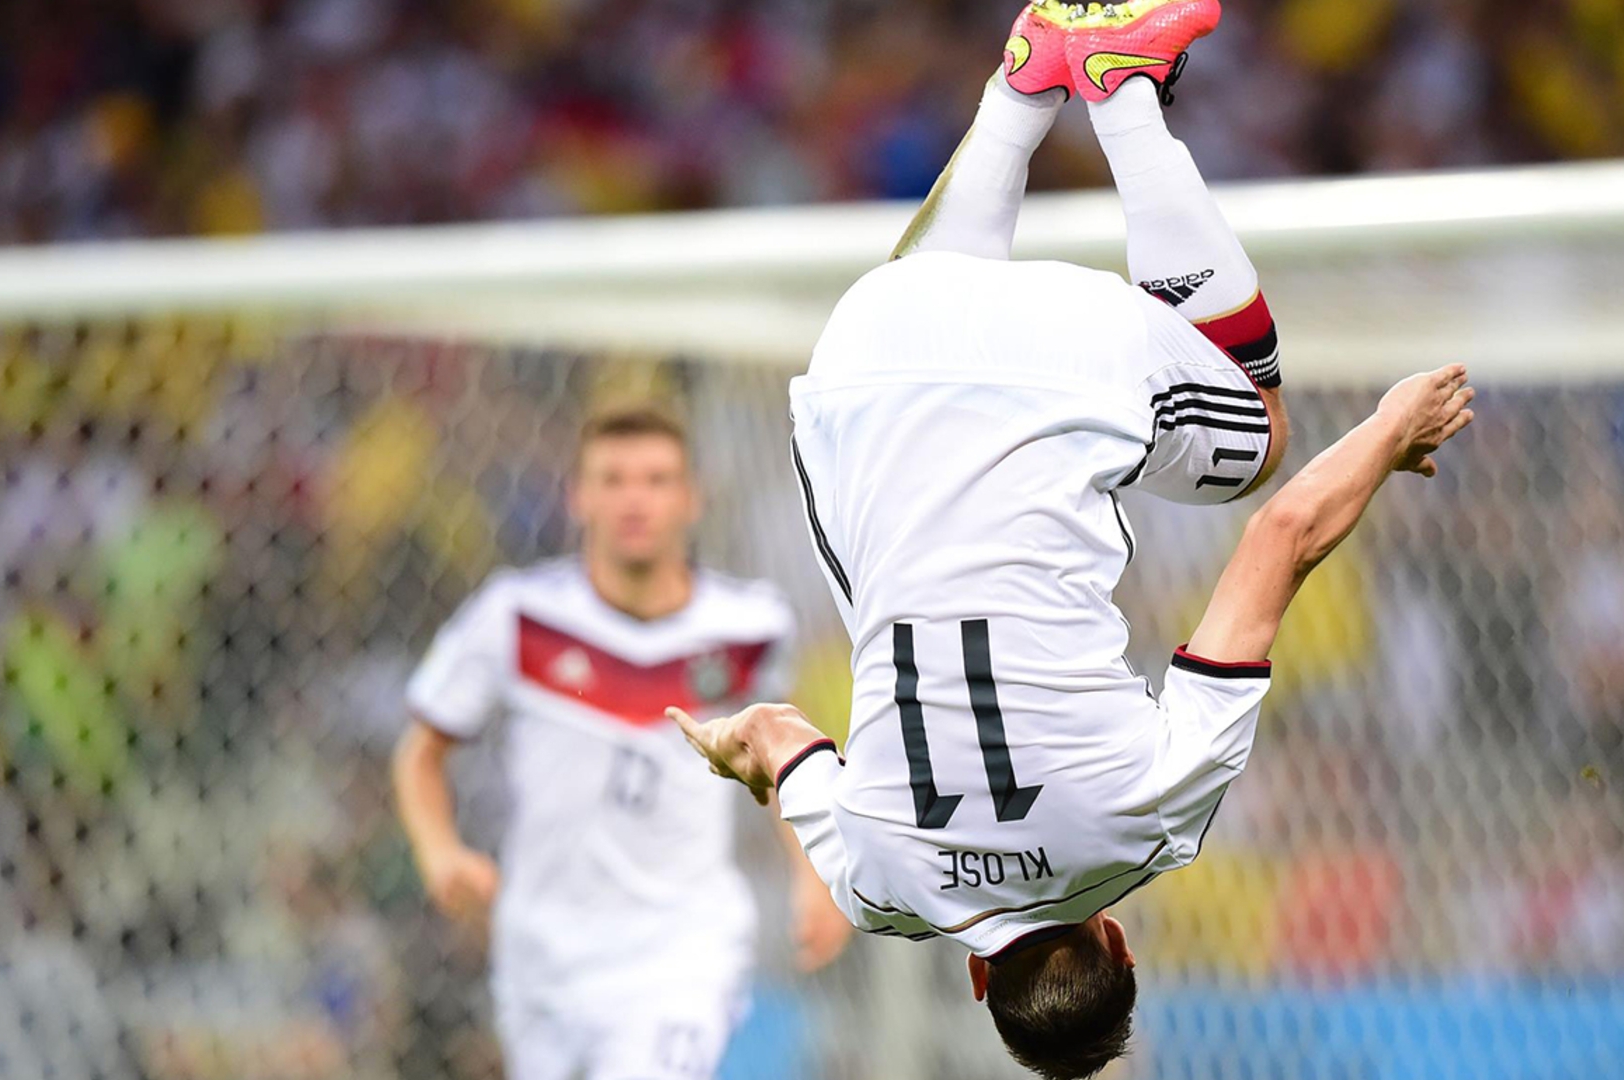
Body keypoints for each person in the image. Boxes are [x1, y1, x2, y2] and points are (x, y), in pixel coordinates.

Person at [667, 1, 1477, 1077]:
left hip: (1065, 358)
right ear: (974, 977)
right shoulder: (876, 885)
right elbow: (773, 737)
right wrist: (737, 753)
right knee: (916, 331)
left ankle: (1122, 92)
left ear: (1120, 943)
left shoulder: (1152, 825)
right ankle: (1017, 88)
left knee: (1265, 430)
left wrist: (1387, 433)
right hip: (867, 351)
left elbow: (1280, 536)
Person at [391, 406, 851, 1080]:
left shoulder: (749, 628)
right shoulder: (518, 617)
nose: (635, 499)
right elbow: (421, 751)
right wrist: (437, 851)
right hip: (540, 952)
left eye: (657, 479)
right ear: (579, 496)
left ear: (692, 498)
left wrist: (815, 879)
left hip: (680, 949)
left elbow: (785, 757)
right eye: (613, 479)